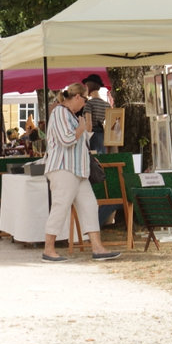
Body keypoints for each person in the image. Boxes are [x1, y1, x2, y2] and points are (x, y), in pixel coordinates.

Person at [42, 83, 120, 262]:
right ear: (77, 97)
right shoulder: (60, 112)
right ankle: (49, 249)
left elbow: (79, 140)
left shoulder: (70, 115)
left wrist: (84, 129)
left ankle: (97, 248)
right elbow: (66, 139)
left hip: (78, 170)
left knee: (90, 206)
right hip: (64, 168)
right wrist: (81, 128)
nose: (85, 104)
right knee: (60, 207)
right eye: (85, 99)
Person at [82, 74, 110, 154]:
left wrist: (85, 140)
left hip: (92, 136)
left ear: (88, 87)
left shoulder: (89, 104)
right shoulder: (106, 104)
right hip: (102, 136)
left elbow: (89, 124)